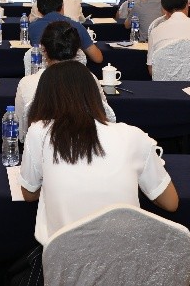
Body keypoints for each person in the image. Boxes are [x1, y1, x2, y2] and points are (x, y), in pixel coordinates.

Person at [17, 61, 179, 285]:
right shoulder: (133, 135)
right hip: (127, 269)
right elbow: (171, 203)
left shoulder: (39, 132)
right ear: (95, 95)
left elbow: (29, 193)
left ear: (44, 99)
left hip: (66, 268)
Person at [15, 20, 115, 139]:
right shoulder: (91, 79)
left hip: (41, 147)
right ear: (77, 50)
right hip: (86, 145)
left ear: (44, 50)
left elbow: (22, 134)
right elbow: (104, 119)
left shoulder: (26, 83)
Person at [27, 0, 103, 64]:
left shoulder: (32, 27)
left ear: (39, 10)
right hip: (71, 71)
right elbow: (98, 58)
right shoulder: (76, 27)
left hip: (42, 71)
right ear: (62, 6)